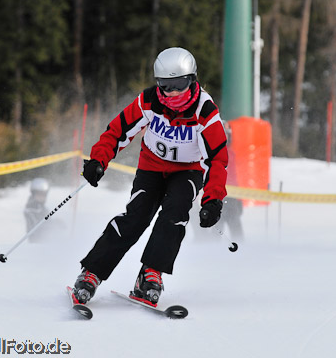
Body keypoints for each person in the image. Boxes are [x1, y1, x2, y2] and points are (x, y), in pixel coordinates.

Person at [72, 47, 228, 307]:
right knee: (136, 217)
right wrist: (98, 159)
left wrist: (213, 200)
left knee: (174, 216)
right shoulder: (148, 101)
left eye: (179, 84)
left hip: (187, 170)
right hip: (152, 167)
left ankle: (150, 273)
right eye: (166, 86)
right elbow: (117, 131)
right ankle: (92, 273)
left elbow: (218, 160)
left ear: (192, 80)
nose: (173, 93)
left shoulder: (206, 112)